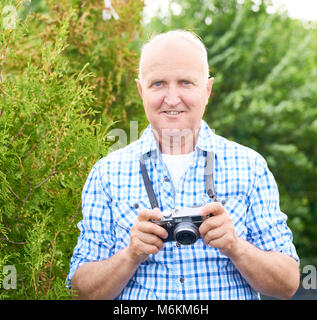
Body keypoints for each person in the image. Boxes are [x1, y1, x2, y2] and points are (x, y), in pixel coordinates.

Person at [66, 30, 300, 300]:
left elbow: (287, 283)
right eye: (158, 84)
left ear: (207, 90)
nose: (172, 98)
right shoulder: (106, 174)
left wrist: (236, 247)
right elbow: (81, 291)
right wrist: (130, 255)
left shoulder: (250, 167)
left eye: (186, 82)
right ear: (141, 91)